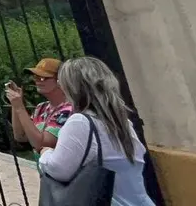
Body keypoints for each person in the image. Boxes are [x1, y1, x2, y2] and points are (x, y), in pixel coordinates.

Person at [37, 57, 154, 205]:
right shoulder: (122, 122)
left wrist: (45, 153)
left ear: (74, 87)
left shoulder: (80, 122)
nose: (60, 86)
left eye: (62, 82)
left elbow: (58, 169)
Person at [7, 57, 72, 155]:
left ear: (60, 80)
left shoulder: (68, 109)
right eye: (35, 77)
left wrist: (20, 107)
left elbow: (42, 143)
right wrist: (15, 104)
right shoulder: (41, 108)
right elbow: (21, 136)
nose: (37, 81)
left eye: (43, 77)